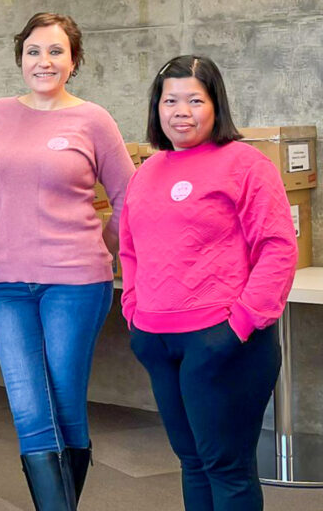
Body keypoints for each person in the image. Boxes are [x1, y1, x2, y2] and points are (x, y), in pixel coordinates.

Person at [0, 12, 135, 509]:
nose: (44, 61)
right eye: (34, 52)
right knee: (28, 409)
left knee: (63, 405)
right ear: (20, 58)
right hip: (8, 285)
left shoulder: (93, 119)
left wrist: (100, 248)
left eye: (56, 51)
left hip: (75, 285)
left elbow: (131, 195)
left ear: (73, 60)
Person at [120, 55, 296, 511]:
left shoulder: (246, 164)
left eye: (195, 100)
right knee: (192, 463)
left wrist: (237, 327)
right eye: (170, 100)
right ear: (156, 108)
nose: (182, 111)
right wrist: (135, 317)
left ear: (215, 105)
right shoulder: (146, 173)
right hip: (159, 342)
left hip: (225, 342)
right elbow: (131, 250)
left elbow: (277, 249)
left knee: (227, 467)